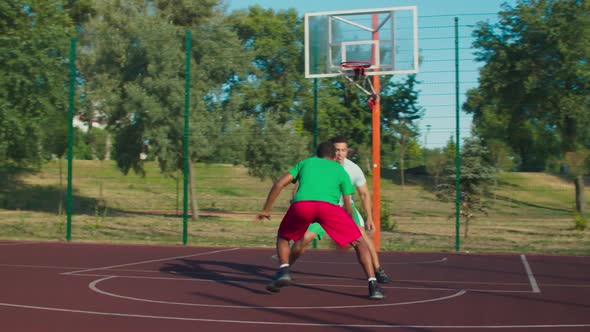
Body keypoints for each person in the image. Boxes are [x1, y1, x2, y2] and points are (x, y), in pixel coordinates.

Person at [256, 141, 385, 300]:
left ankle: (284, 270)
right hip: (329, 209)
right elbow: (347, 201)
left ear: (317, 154)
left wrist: (266, 209)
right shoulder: (339, 169)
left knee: (283, 237)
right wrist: (349, 224)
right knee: (360, 243)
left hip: (302, 206)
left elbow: (279, 184)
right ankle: (373, 286)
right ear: (333, 155)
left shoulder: (305, 163)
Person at [289, 136, 392, 284]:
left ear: (347, 152)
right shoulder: (317, 164)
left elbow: (364, 193)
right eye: (337, 150)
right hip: (322, 207)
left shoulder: (353, 169)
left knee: (361, 237)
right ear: (331, 151)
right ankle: (285, 269)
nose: (340, 153)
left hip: (345, 208)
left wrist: (369, 217)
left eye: (343, 150)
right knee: (305, 238)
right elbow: (299, 185)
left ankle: (377, 271)